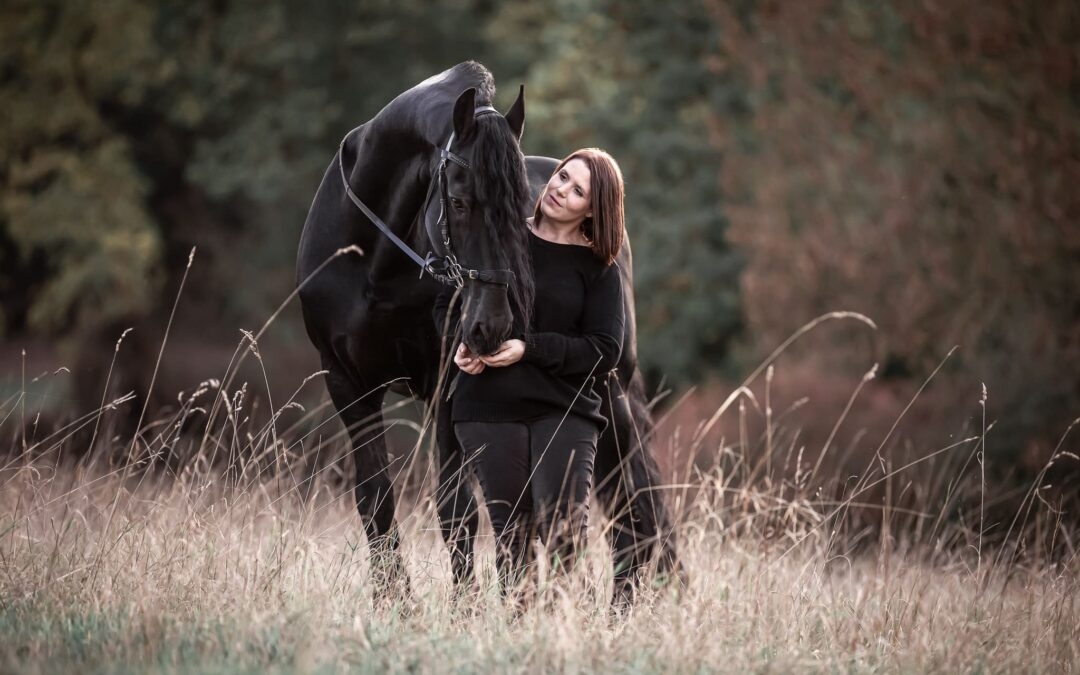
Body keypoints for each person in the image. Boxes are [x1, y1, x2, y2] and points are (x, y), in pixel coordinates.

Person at [433, 148, 627, 592]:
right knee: (513, 537)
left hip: (564, 409)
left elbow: (605, 351)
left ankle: (559, 645)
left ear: (594, 210)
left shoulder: (598, 269)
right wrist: (462, 344)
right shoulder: (499, 237)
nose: (560, 189)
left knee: (562, 536)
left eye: (578, 191)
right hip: (486, 405)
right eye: (562, 176)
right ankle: (521, 645)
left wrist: (529, 348)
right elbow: (449, 302)